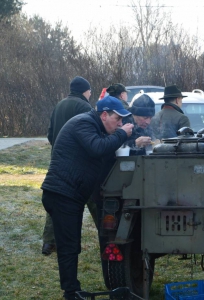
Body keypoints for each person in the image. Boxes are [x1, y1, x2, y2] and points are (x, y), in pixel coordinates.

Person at [41, 96, 134, 299]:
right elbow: (97, 148)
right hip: (61, 194)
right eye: (117, 119)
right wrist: (121, 134)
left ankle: (73, 288)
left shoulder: (95, 127)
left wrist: (131, 140)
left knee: (71, 244)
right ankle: (71, 292)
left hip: (70, 195)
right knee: (68, 246)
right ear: (103, 115)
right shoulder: (83, 123)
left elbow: (106, 150)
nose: (120, 123)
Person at [42, 76, 98, 256]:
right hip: (78, 164)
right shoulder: (85, 107)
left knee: (57, 201)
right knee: (93, 199)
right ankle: (108, 236)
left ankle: (49, 243)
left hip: (58, 162)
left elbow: (50, 134)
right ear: (85, 90)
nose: (90, 94)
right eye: (90, 91)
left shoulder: (59, 105)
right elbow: (91, 137)